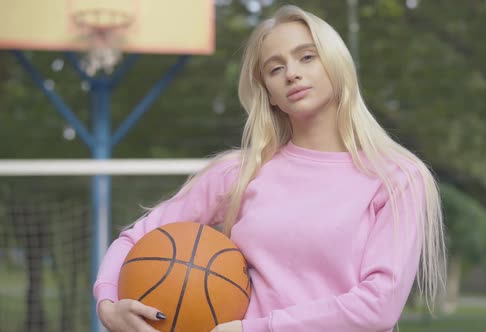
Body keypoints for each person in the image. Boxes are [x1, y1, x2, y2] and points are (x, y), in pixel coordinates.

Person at [94, 5, 446, 332]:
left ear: (336, 64)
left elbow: (379, 306)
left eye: (307, 57)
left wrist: (258, 329)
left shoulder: (397, 177)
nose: (292, 73)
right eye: (275, 69)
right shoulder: (239, 172)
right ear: (270, 94)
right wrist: (108, 303)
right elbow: (135, 238)